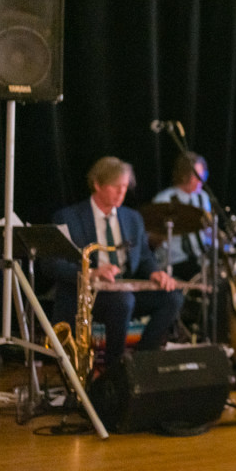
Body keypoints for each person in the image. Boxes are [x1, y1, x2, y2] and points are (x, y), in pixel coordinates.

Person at [45, 157, 183, 366]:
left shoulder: (132, 218)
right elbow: (51, 264)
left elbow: (144, 256)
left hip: (123, 288)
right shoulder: (69, 217)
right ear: (98, 185)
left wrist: (155, 272)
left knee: (172, 297)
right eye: (115, 187)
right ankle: (114, 368)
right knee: (123, 301)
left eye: (125, 187)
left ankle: (141, 361)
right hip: (88, 295)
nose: (121, 193)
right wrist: (90, 273)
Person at [152, 152, 211, 282]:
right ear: (184, 176)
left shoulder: (203, 198)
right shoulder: (164, 200)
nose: (200, 181)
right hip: (175, 261)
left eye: (202, 176)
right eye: (196, 177)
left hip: (201, 259)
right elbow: (154, 239)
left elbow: (208, 233)